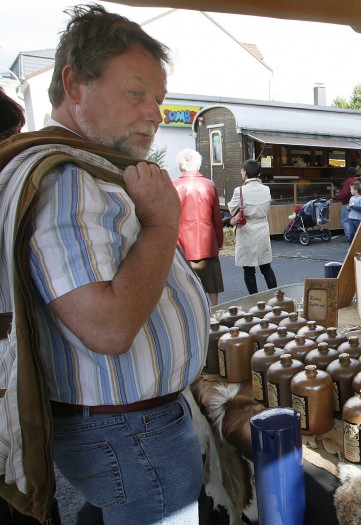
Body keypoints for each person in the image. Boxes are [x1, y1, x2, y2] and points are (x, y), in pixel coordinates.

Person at [0, 5, 209, 524]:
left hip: (132, 429)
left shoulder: (89, 171)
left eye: (158, 98)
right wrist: (161, 222)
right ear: (75, 84)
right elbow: (108, 326)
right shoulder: (67, 180)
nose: (155, 113)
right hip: (130, 433)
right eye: (136, 93)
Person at [173, 148, 225, 305]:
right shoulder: (209, 185)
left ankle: (194, 311)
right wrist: (219, 241)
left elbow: (170, 218)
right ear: (198, 165)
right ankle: (215, 311)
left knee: (186, 284)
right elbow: (217, 218)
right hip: (207, 241)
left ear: (180, 165)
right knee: (212, 282)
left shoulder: (174, 186)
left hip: (182, 243)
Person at [229, 159, 278, 294]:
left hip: (246, 229)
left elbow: (232, 209)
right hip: (262, 227)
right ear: (259, 173)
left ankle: (254, 300)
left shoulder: (239, 190)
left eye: (242, 170)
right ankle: (276, 297)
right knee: (266, 267)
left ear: (245, 172)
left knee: (249, 269)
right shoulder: (266, 189)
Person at [332, 166, 358, 241]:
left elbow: (344, 193)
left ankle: (349, 236)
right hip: (355, 203)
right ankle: (354, 235)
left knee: (345, 220)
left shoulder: (348, 181)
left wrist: (335, 197)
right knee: (353, 220)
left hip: (347, 203)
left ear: (347, 173)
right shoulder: (356, 180)